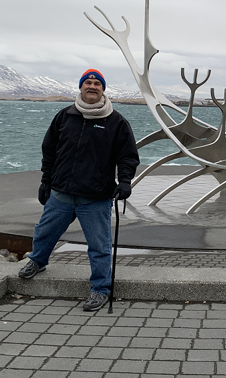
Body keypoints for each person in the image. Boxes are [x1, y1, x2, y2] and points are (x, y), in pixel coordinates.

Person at [18, 69, 140, 311]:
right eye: (88, 83)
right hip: (61, 193)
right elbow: (49, 151)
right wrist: (46, 181)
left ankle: (100, 289)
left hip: (95, 197)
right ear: (81, 87)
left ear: (103, 89)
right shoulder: (64, 117)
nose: (92, 86)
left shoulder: (116, 122)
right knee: (44, 233)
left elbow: (127, 156)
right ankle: (38, 261)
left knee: (99, 246)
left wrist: (125, 181)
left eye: (97, 83)